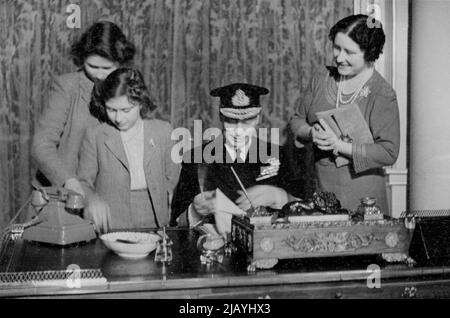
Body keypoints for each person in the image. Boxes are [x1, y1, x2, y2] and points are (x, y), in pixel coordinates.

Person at [289, 14, 400, 214]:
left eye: (349, 52)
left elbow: (389, 152)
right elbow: (297, 120)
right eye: (337, 48)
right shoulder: (321, 79)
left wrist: (339, 146)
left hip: (364, 198)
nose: (339, 57)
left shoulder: (382, 93)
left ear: (369, 53)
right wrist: (311, 133)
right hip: (320, 191)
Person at [170, 83, 300, 230]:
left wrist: (281, 197)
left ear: (258, 118)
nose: (238, 130)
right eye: (231, 121)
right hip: (214, 247)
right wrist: (194, 211)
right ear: (220, 117)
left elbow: (308, 212)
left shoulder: (279, 156)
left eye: (247, 121)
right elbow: (175, 224)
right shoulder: (196, 159)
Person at [32, 21, 135, 197]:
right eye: (93, 67)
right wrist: (68, 180)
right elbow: (42, 145)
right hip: (63, 193)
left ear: (121, 62)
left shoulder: (130, 86)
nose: (100, 75)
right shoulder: (66, 87)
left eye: (107, 68)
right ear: (82, 59)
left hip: (109, 197)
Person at [77, 68, 180, 233]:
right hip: (111, 224)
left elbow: (173, 179)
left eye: (126, 110)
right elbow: (83, 183)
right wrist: (92, 200)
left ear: (140, 102)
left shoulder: (164, 131)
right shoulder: (95, 135)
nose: (118, 118)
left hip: (155, 221)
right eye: (111, 109)